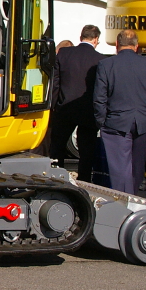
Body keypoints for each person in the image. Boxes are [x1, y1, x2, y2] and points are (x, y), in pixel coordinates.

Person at [93, 29, 146, 194]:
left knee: (119, 170)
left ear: (117, 45)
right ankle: (132, 200)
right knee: (136, 167)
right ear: (137, 46)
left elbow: (99, 97)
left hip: (116, 122)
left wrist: (102, 121)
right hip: (144, 122)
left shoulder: (106, 65)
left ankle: (123, 206)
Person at [50, 25, 104, 183]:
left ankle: (56, 178)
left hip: (64, 107)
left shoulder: (64, 54)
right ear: (95, 40)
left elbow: (55, 83)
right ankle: (84, 181)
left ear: (81, 37)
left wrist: (55, 104)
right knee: (87, 152)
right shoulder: (100, 59)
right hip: (88, 110)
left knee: (57, 147)